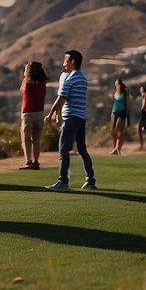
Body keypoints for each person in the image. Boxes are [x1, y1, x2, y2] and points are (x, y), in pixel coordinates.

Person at [45, 50, 98, 191]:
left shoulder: (71, 78)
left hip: (71, 118)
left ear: (73, 61)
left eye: (66, 60)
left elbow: (61, 99)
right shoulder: (82, 78)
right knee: (82, 149)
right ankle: (90, 180)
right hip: (81, 117)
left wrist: (50, 114)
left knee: (63, 148)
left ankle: (63, 181)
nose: (64, 63)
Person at [19, 61, 48, 170]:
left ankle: (28, 161)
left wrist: (25, 76)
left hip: (28, 114)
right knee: (36, 139)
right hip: (40, 113)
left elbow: (22, 89)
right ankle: (36, 161)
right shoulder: (43, 83)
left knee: (26, 139)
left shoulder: (27, 82)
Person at [110, 78, 130, 155]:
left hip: (122, 113)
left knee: (119, 130)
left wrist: (127, 115)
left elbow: (128, 103)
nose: (116, 85)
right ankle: (114, 148)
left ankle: (118, 148)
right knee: (113, 131)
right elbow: (114, 103)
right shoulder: (115, 93)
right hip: (114, 112)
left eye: (117, 83)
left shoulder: (124, 93)